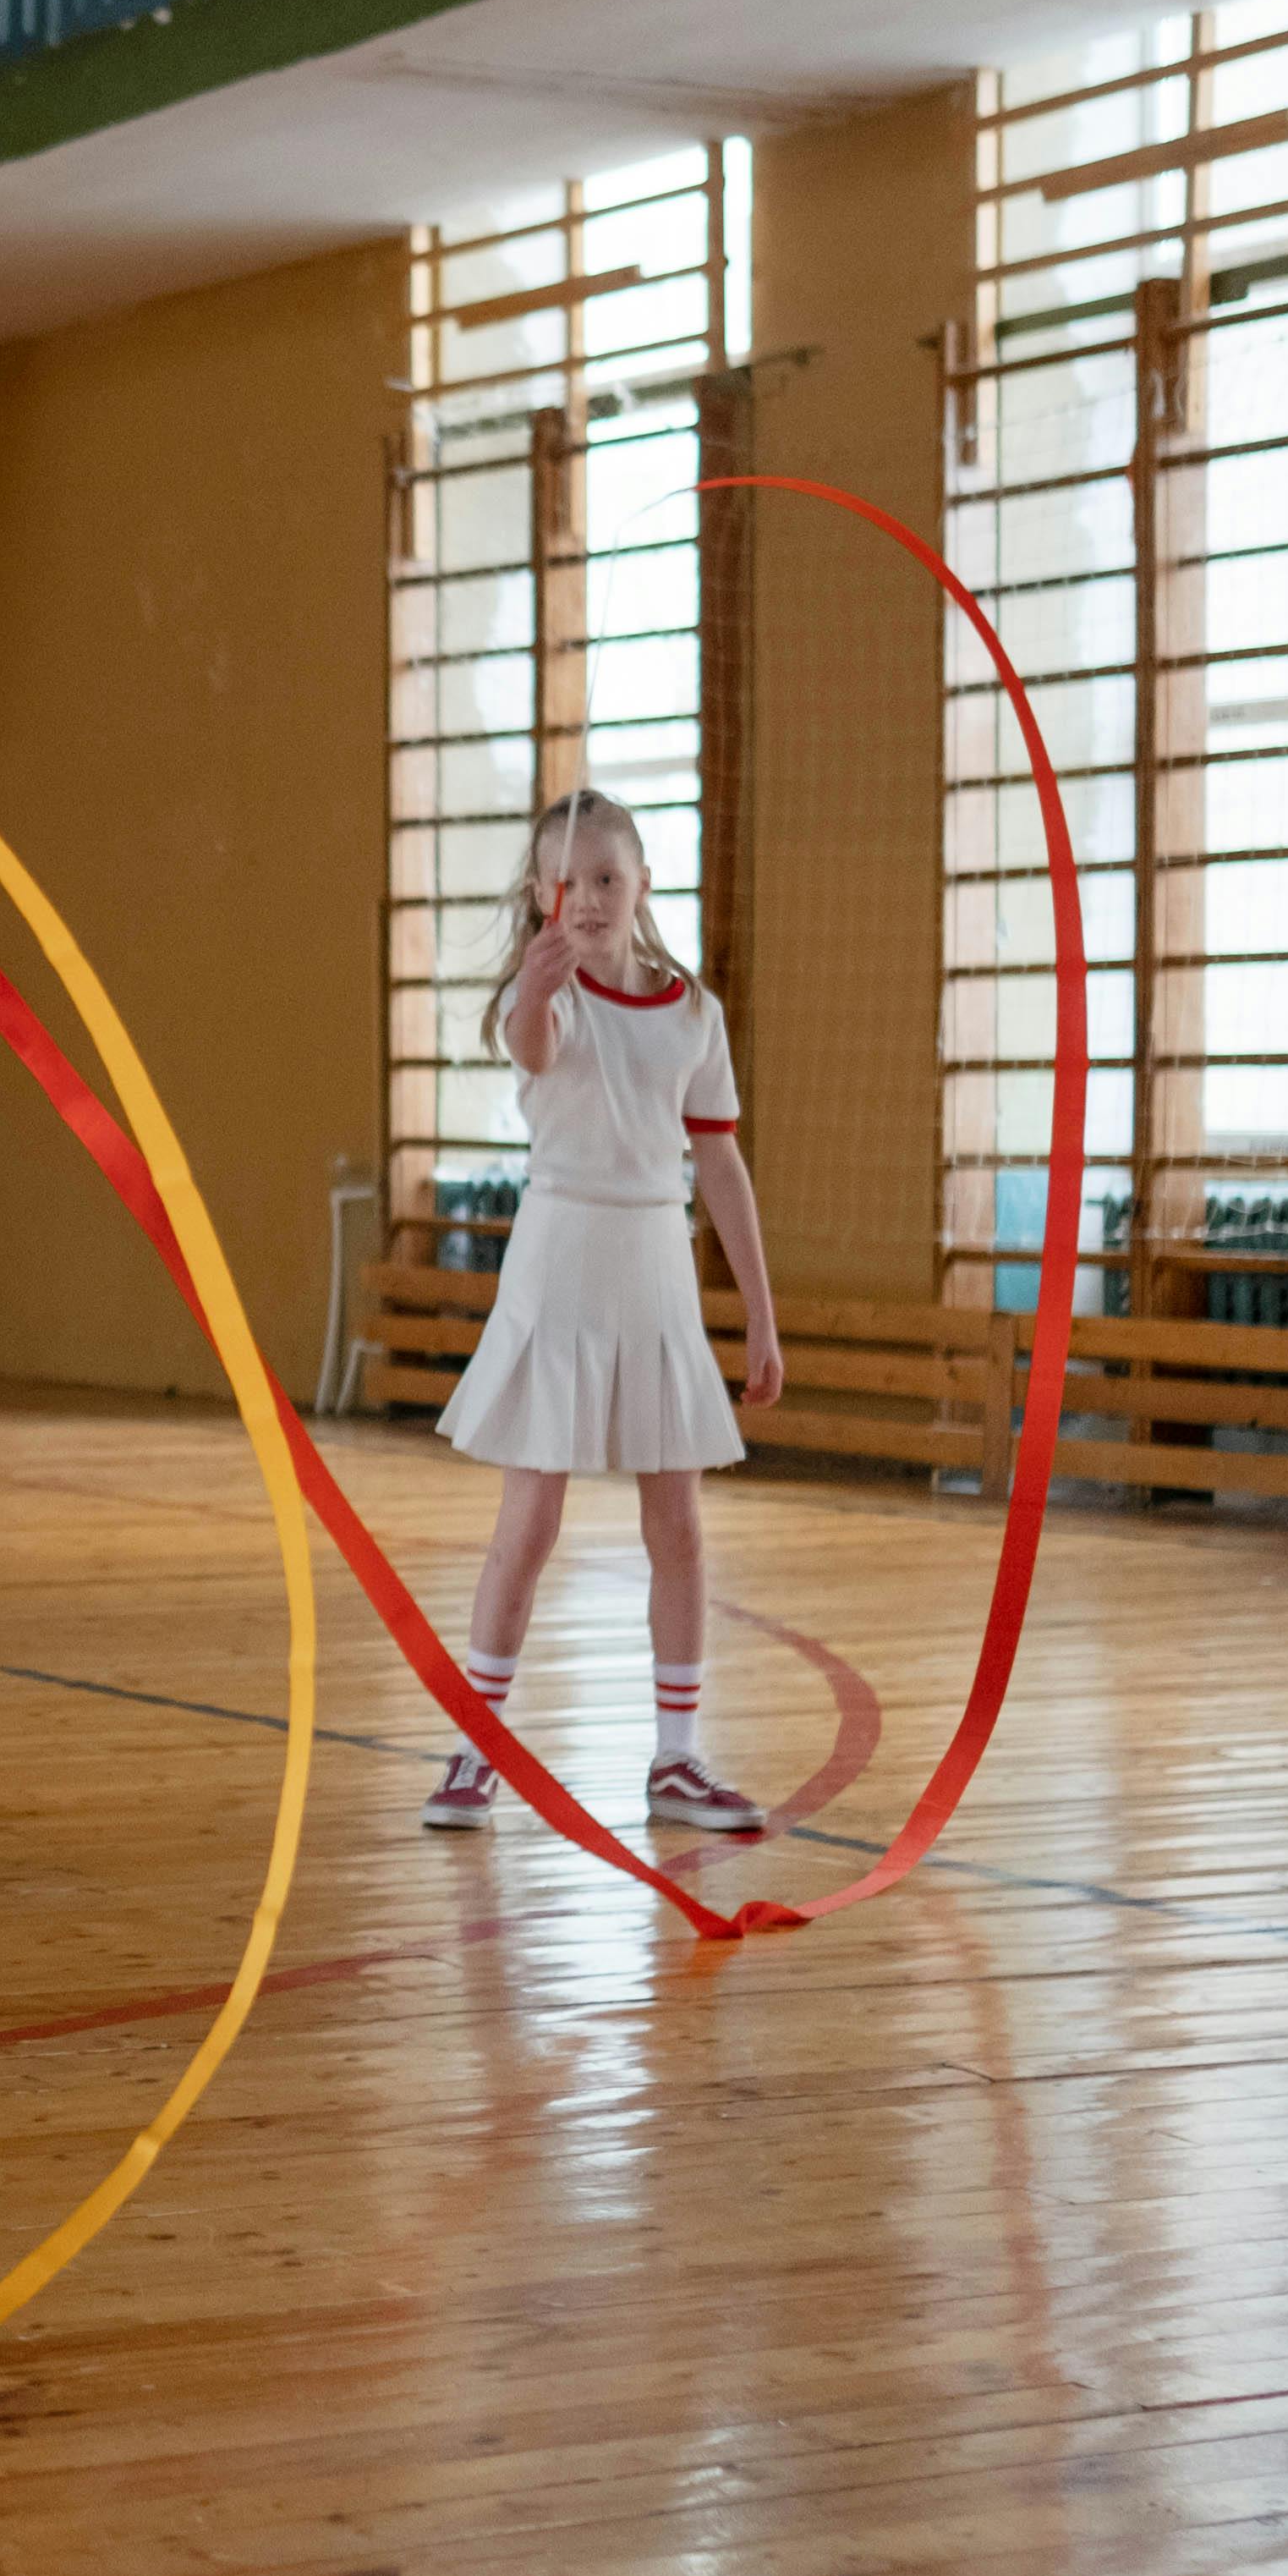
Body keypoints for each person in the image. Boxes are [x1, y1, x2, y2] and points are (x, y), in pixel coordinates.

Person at [417, 787, 787, 1839]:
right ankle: (477, 1747)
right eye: (567, 881)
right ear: (543, 895)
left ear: (641, 887)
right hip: (559, 1262)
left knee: (676, 1521)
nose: (587, 897)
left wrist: (757, 1315)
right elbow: (532, 1047)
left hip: (653, 1268)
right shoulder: (542, 998)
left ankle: (676, 1760)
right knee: (527, 1523)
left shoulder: (692, 1014)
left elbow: (718, 1162)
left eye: (606, 878)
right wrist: (535, 990)